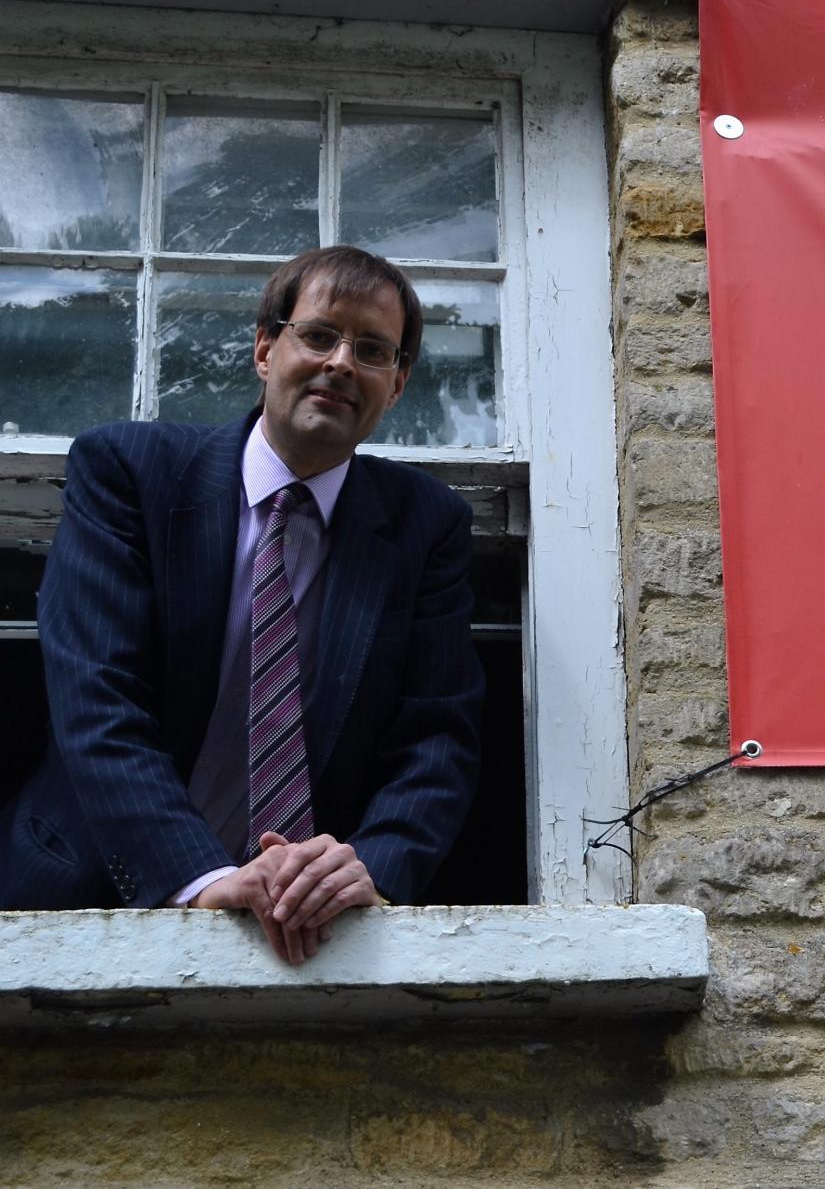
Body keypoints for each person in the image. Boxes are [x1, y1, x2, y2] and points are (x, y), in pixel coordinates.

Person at [0, 246, 482, 962]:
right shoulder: (127, 473)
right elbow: (97, 697)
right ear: (265, 348)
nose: (342, 362)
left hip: (308, 936)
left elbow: (437, 736)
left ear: (398, 382)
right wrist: (203, 876)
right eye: (318, 335)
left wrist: (371, 867)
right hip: (78, 900)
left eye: (373, 349)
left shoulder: (426, 525)